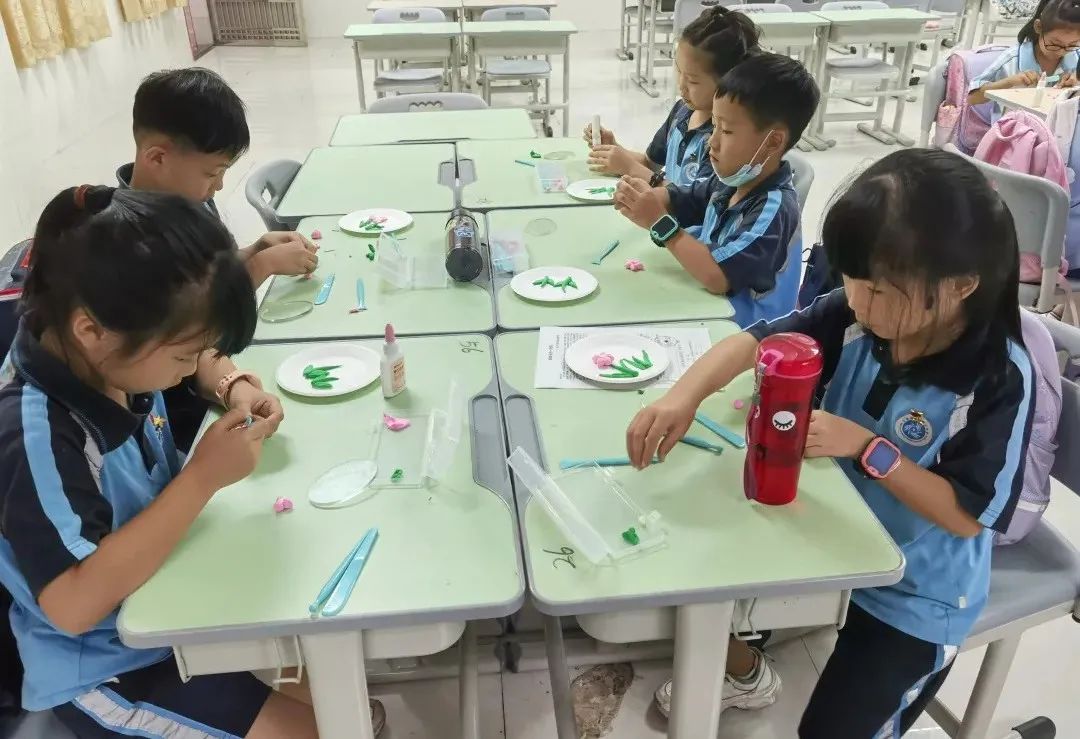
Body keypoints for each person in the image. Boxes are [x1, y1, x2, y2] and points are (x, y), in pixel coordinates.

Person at [626, 149, 1033, 737]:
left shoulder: (997, 376)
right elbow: (753, 342)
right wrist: (680, 398)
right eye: (851, 279)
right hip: (830, 540)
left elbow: (966, 516)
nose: (858, 301)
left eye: (880, 290)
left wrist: (866, 448)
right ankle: (745, 671)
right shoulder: (862, 315)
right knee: (694, 562)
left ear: (961, 286)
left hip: (914, 594)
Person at [0, 186, 386, 737]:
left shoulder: (107, 353)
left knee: (347, 702)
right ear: (92, 331)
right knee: (335, 726)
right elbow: (73, 604)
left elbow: (201, 354)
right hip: (110, 669)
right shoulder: (34, 435)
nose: (190, 369)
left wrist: (232, 384)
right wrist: (203, 477)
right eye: (183, 355)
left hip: (175, 612)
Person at [117, 68, 318, 454]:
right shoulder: (129, 242)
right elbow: (192, 318)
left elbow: (204, 274)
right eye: (212, 173)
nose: (220, 185)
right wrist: (262, 266)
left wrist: (254, 250)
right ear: (157, 157)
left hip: (213, 379)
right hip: (177, 421)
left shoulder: (188, 199)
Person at [613, 52, 819, 328]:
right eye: (715, 126)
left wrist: (659, 222)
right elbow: (683, 199)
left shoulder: (774, 209)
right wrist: (642, 198)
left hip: (742, 330)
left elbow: (717, 276)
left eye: (727, 131)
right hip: (709, 308)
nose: (713, 141)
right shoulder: (730, 181)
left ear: (773, 142)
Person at [583, 6, 759, 187]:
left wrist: (629, 167)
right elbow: (649, 164)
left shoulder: (720, 138)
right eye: (679, 71)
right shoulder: (681, 111)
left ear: (727, 81)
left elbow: (692, 200)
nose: (681, 85)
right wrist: (614, 150)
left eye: (693, 81)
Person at [968, 0, 1080, 120]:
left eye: (1072, 45)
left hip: (1056, 127)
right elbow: (972, 98)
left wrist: (1077, 82)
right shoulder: (1012, 59)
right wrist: (1009, 82)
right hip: (1013, 128)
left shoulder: (1075, 56)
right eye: (1054, 44)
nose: (1061, 51)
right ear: (1038, 27)